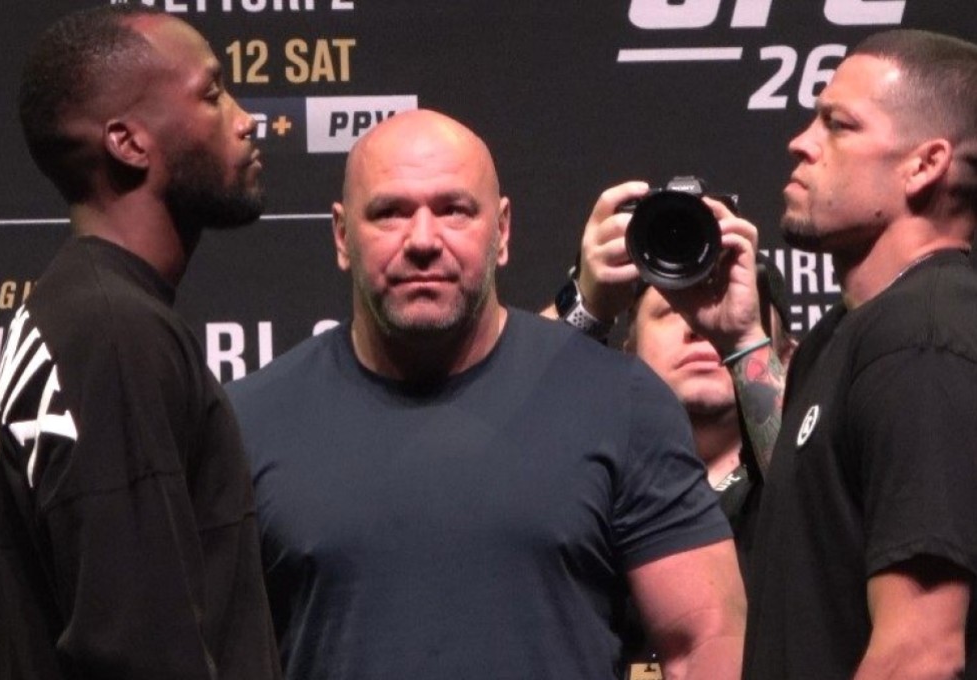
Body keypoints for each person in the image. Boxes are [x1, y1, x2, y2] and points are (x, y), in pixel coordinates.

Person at [227, 108, 746, 680]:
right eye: (390, 213)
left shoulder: (620, 402)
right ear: (343, 235)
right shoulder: (251, 422)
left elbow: (706, 639)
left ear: (501, 232)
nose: (423, 240)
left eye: (453, 210)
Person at [664, 30, 977, 678]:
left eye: (838, 125)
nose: (801, 142)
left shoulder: (923, 340)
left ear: (924, 165)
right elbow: (819, 506)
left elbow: (920, 651)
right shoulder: (852, 330)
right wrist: (743, 341)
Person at [0, 6, 281, 679]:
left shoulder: (80, 311)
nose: (245, 118)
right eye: (211, 95)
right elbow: (138, 649)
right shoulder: (113, 334)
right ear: (128, 142)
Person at [543, 191, 797, 680]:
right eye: (670, 313)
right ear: (628, 346)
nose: (698, 329)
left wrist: (742, 340)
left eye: (713, 308)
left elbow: (821, 506)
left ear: (784, 350)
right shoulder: (586, 479)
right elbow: (492, 443)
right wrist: (585, 307)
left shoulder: (787, 481)